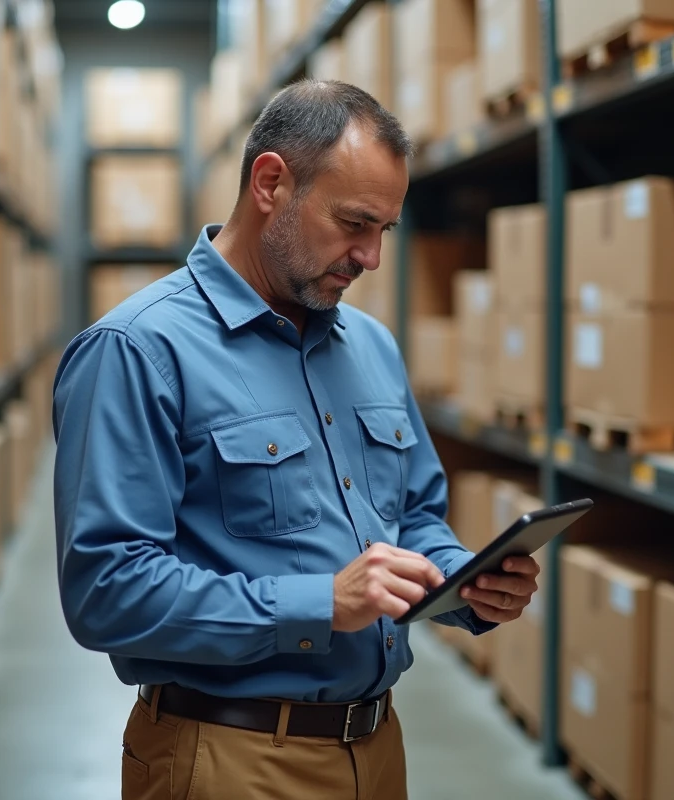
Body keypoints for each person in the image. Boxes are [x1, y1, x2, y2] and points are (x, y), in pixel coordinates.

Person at [52, 80, 540, 800]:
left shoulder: (371, 346)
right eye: (354, 223)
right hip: (230, 758)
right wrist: (319, 603)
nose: (371, 257)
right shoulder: (137, 350)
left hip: (377, 749)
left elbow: (413, 516)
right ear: (270, 184)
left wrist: (463, 580)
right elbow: (106, 591)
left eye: (385, 230)